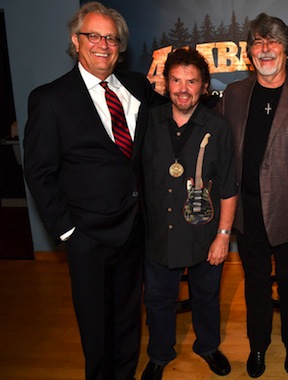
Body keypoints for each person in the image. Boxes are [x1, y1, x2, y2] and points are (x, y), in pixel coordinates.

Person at [23, 2, 163, 379]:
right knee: (97, 328)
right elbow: (38, 172)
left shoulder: (136, 87)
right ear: (76, 40)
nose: (103, 44)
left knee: (129, 319)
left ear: (120, 46)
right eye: (94, 36)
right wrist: (68, 231)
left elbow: (176, 110)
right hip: (88, 237)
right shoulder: (50, 99)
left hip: (134, 228)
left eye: (111, 38)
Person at [216, 12, 288, 378]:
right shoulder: (233, 95)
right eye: (258, 43)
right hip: (247, 213)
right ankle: (259, 347)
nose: (265, 49)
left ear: (287, 51)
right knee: (256, 286)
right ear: (250, 53)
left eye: (273, 42)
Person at [140, 48, 237, 379]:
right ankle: (159, 353)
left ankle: (208, 346)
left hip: (203, 234)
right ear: (166, 83)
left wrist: (223, 237)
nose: (183, 88)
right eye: (176, 80)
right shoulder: (147, 122)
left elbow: (228, 187)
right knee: (157, 299)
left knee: (206, 296)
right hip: (157, 233)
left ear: (205, 86)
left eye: (191, 81)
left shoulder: (219, 128)